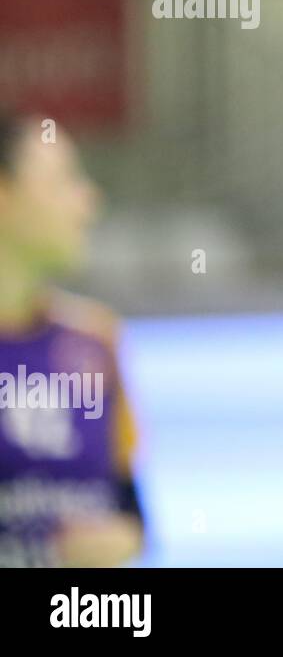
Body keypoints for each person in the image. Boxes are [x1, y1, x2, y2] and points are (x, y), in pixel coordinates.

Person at [0, 111, 145, 567]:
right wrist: (42, 555)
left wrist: (123, 540)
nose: (88, 200)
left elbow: (131, 517)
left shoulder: (96, 341)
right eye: (64, 181)